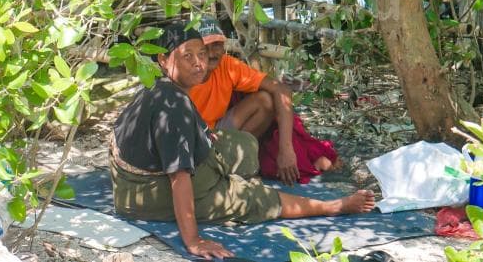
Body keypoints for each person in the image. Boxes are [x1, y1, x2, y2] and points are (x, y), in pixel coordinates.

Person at [110, 22, 375, 260]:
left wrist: (206, 138)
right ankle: (333, 206)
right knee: (252, 198)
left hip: (136, 180)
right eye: (187, 56)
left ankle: (226, 182)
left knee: (245, 146)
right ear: (163, 60)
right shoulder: (173, 105)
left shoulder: (164, 85)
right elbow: (179, 178)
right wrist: (194, 241)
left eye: (201, 54)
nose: (199, 62)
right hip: (145, 192)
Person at [191, 17, 339, 185]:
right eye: (205, 47)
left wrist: (286, 149)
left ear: (224, 46)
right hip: (192, 136)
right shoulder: (184, 72)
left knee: (266, 101)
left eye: (216, 45)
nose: (211, 53)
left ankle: (236, 161)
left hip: (219, 130)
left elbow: (281, 89)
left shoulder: (228, 65)